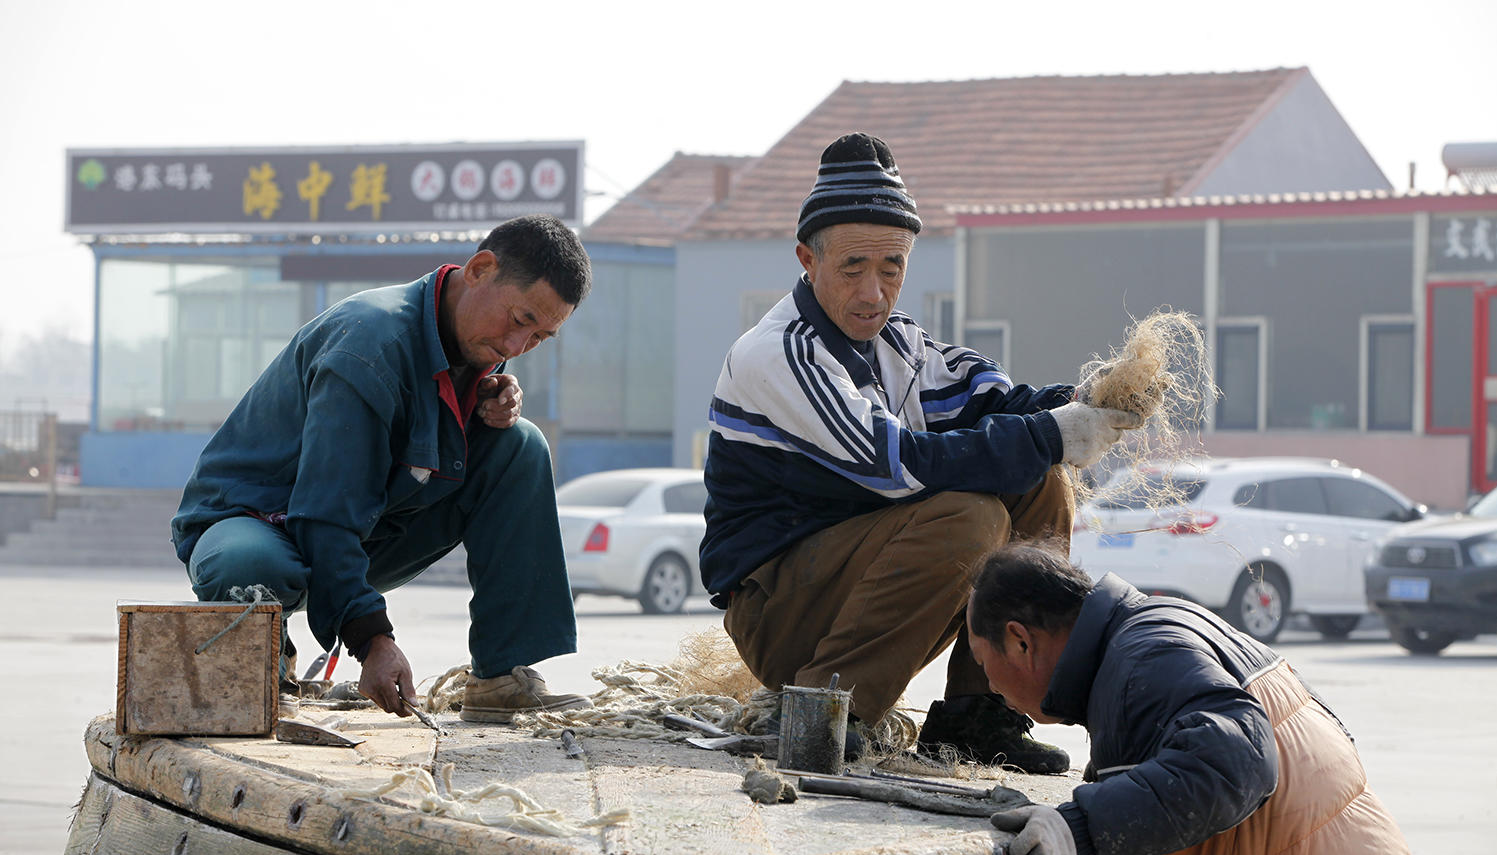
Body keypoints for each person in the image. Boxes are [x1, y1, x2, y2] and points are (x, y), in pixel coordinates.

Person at [699, 132, 1138, 771]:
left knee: (1041, 483)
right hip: (781, 610)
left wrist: (1087, 401)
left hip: (862, 585)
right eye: (853, 268)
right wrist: (1052, 432)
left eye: (892, 269)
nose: (874, 293)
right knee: (972, 518)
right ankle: (820, 709)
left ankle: (980, 714)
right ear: (807, 259)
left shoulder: (898, 342)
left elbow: (996, 402)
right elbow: (894, 467)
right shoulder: (779, 353)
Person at [172, 214, 594, 722]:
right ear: (480, 269)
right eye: (520, 320)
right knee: (250, 567)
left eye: (539, 338)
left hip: (360, 526)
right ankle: (266, 657)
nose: (515, 347)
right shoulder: (368, 345)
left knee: (519, 446)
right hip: (257, 526)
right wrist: (373, 640)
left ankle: (502, 675)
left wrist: (484, 402)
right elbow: (325, 511)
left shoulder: (474, 342)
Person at [969, 543, 1434, 855]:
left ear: (1019, 640)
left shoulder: (1143, 658)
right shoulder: (1161, 628)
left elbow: (1237, 760)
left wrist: (1078, 831)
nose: (988, 684)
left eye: (982, 663)